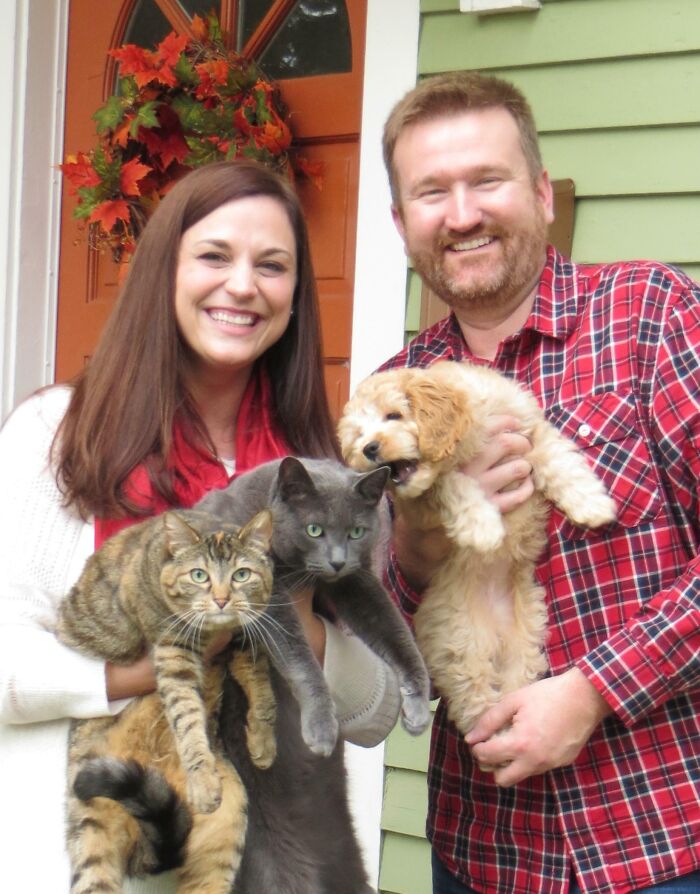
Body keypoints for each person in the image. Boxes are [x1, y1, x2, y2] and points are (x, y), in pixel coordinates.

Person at [0, 159, 400, 891]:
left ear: (294, 298)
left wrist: (298, 624)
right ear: (164, 271)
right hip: (90, 862)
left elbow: (376, 710)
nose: (243, 285)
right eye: (214, 256)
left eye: (272, 266)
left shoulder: (322, 478)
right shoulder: (55, 434)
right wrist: (158, 664)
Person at [379, 71, 700, 894]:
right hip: (483, 854)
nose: (462, 214)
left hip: (663, 843)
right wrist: (414, 550)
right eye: (431, 192)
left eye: (486, 180)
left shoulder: (649, 314)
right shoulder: (389, 401)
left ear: (542, 193)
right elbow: (373, 644)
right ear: (400, 222)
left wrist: (596, 691)